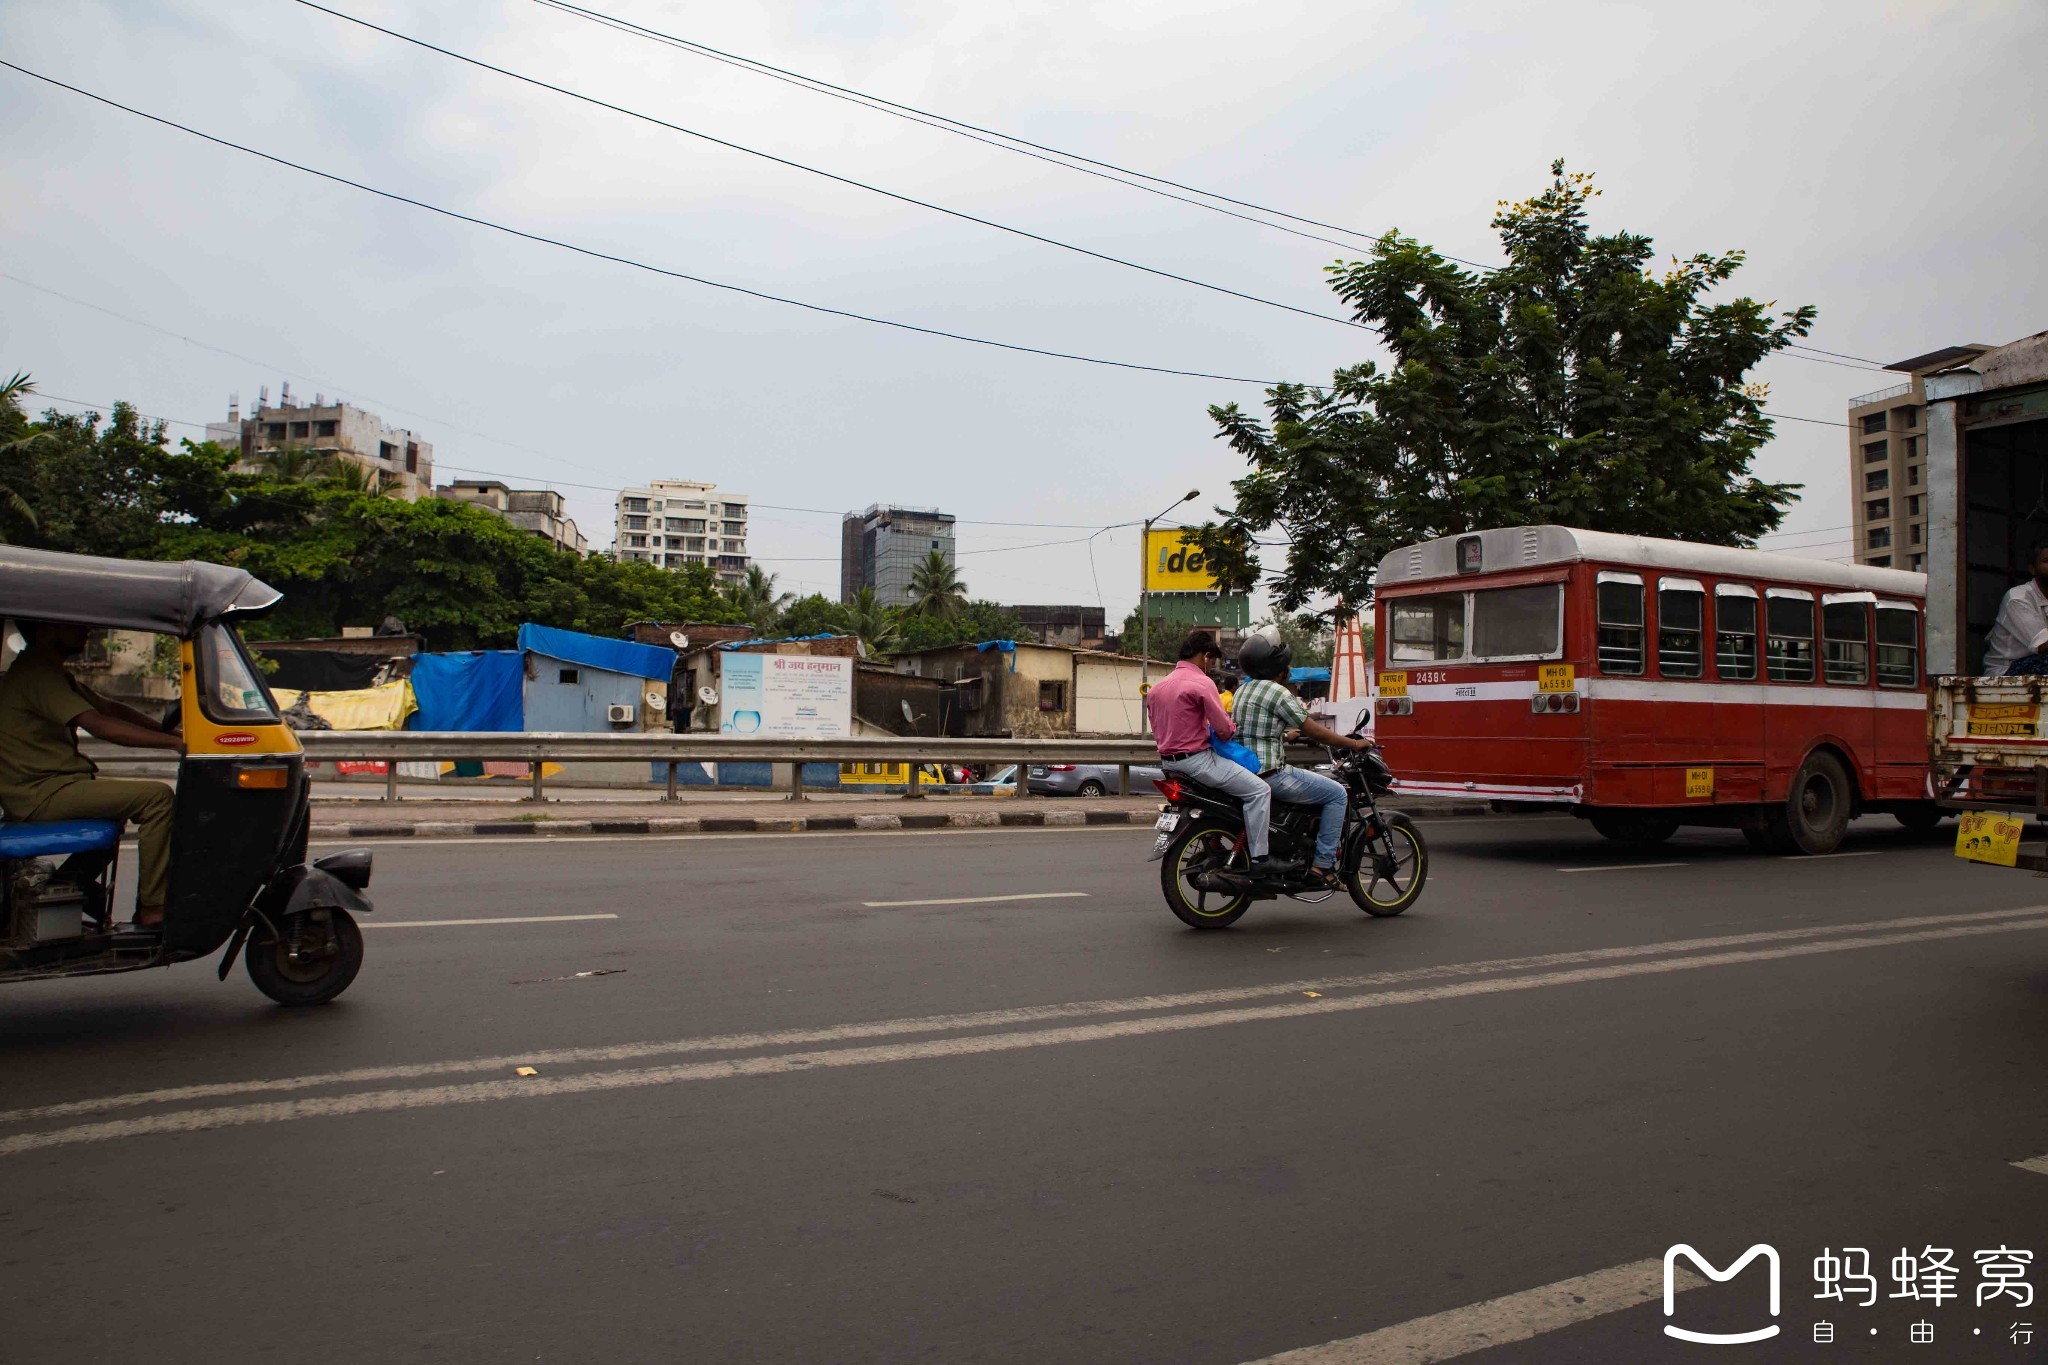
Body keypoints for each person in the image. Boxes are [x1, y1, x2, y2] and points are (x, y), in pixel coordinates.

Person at [0, 620, 183, 929]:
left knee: (122, 806)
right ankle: (154, 907)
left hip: (54, 787)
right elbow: (98, 725)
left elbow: (111, 709)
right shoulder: (37, 675)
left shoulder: (50, 673)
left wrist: (173, 731)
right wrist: (176, 743)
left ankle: (71, 883)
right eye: (76, 626)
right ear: (47, 629)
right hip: (41, 794)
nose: (87, 632)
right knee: (156, 798)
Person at [1233, 627, 1376, 890]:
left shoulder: (1244, 689)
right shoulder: (1278, 693)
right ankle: (1322, 866)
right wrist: (1354, 743)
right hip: (1270, 773)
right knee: (1337, 793)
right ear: (1279, 668)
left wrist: (1286, 736)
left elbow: (1255, 731)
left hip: (1244, 771)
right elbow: (1316, 731)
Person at [1144, 629, 1279, 876]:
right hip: (1199, 762)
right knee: (1260, 791)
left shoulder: (1157, 688)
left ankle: (1219, 840)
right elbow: (1224, 731)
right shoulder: (1202, 683)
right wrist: (1231, 727)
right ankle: (1261, 858)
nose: (1211, 667)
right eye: (1212, 661)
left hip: (1169, 765)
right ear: (1205, 657)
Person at [1984, 542, 2048, 677]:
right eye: (2046, 561)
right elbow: (2043, 644)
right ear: (2032, 569)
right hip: (2006, 672)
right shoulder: (2018, 598)